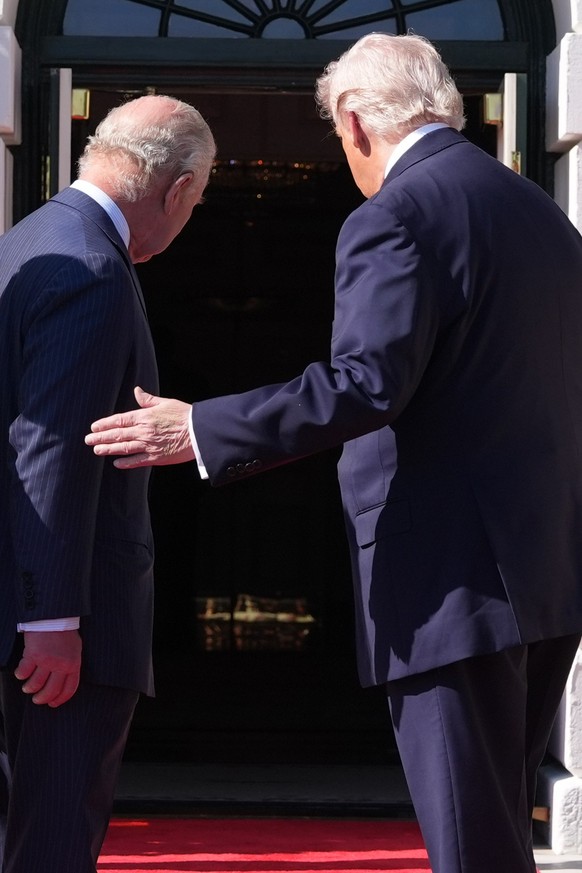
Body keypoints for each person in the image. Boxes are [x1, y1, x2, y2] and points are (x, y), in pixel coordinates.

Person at [86, 33, 582, 873]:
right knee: (496, 828)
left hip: (450, 578)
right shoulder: (541, 212)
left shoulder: (397, 213)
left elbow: (365, 384)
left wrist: (201, 428)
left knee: (473, 841)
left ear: (353, 122)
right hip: (544, 570)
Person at [0, 94, 216, 873]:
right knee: (53, 839)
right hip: (64, 628)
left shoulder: (27, 238)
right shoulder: (93, 266)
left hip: (29, 610)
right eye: (198, 200)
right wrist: (51, 617)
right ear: (179, 190)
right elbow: (51, 444)